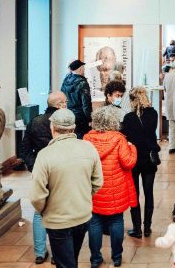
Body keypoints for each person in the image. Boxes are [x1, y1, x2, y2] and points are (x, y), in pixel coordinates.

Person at [30, 108, 103, 268]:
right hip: (82, 216)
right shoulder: (88, 148)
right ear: (73, 127)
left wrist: (44, 210)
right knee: (71, 259)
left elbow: (36, 195)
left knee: (65, 263)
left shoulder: (45, 155)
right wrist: (82, 197)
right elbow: (97, 181)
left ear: (52, 127)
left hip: (58, 220)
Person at [84, 106, 138, 268]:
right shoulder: (119, 139)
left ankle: (95, 259)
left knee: (94, 223)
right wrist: (132, 148)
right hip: (116, 189)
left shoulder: (87, 139)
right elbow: (128, 163)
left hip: (94, 189)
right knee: (116, 221)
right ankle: (116, 257)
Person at [18, 92, 67, 264]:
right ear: (60, 105)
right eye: (65, 102)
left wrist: (34, 166)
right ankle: (57, 253)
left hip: (40, 170)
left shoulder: (35, 121)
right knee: (58, 212)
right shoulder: (65, 122)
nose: (67, 104)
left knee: (39, 212)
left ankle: (40, 252)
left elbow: (23, 150)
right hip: (62, 171)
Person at [121, 87, 161, 238]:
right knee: (149, 193)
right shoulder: (153, 114)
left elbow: (126, 137)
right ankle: (148, 227)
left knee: (134, 194)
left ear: (132, 100)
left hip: (134, 159)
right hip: (149, 159)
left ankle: (137, 228)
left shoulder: (129, 118)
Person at [61, 59, 93, 138]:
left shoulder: (66, 80)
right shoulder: (82, 83)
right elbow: (86, 104)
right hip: (80, 118)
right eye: (83, 68)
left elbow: (62, 96)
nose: (84, 70)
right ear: (80, 69)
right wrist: (90, 118)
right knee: (82, 139)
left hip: (68, 114)